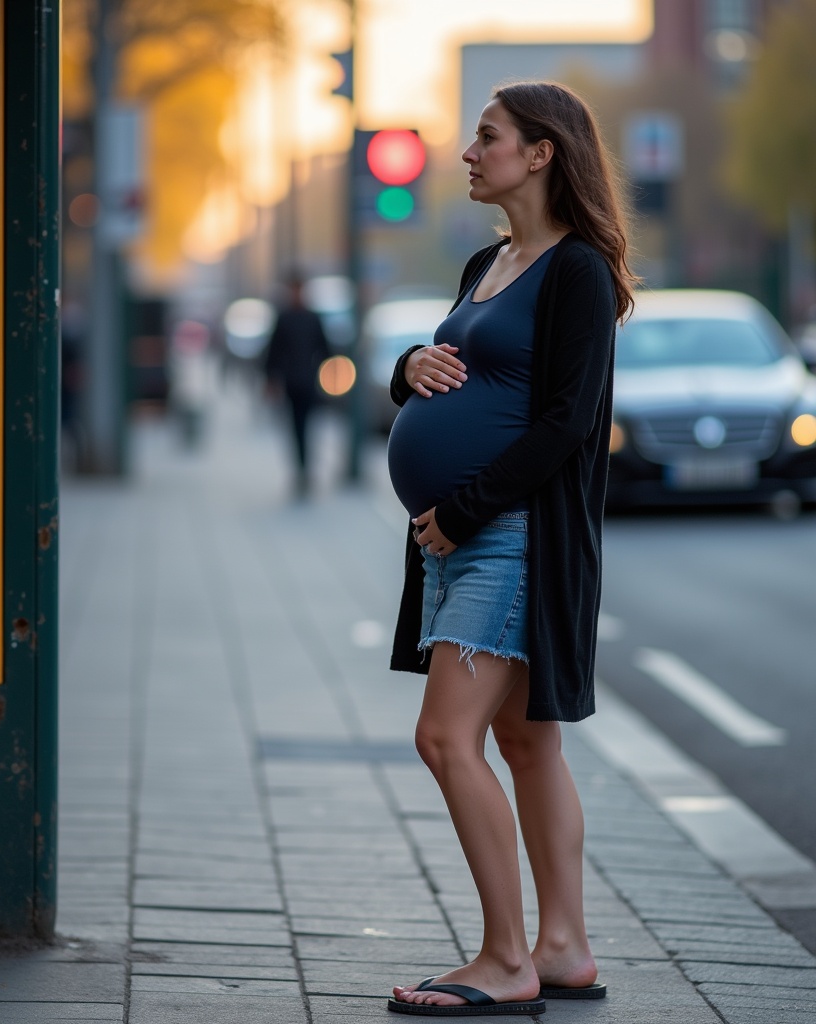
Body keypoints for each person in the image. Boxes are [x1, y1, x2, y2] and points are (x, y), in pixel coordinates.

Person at [384, 81, 638, 1016]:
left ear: (541, 153)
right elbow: (441, 374)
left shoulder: (577, 272)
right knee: (525, 740)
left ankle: (503, 960)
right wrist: (404, 369)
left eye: (486, 137)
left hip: (512, 535)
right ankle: (562, 946)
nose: (467, 151)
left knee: (446, 736)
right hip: (462, 536)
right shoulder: (486, 261)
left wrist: (468, 507)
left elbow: (570, 421)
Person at [263, 273, 331, 496]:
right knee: (296, 427)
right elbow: (273, 352)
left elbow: (325, 350)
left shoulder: (312, 318)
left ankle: (306, 469)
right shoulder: (284, 318)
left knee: (308, 427)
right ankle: (300, 469)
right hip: (292, 383)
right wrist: (272, 380)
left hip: (310, 382)